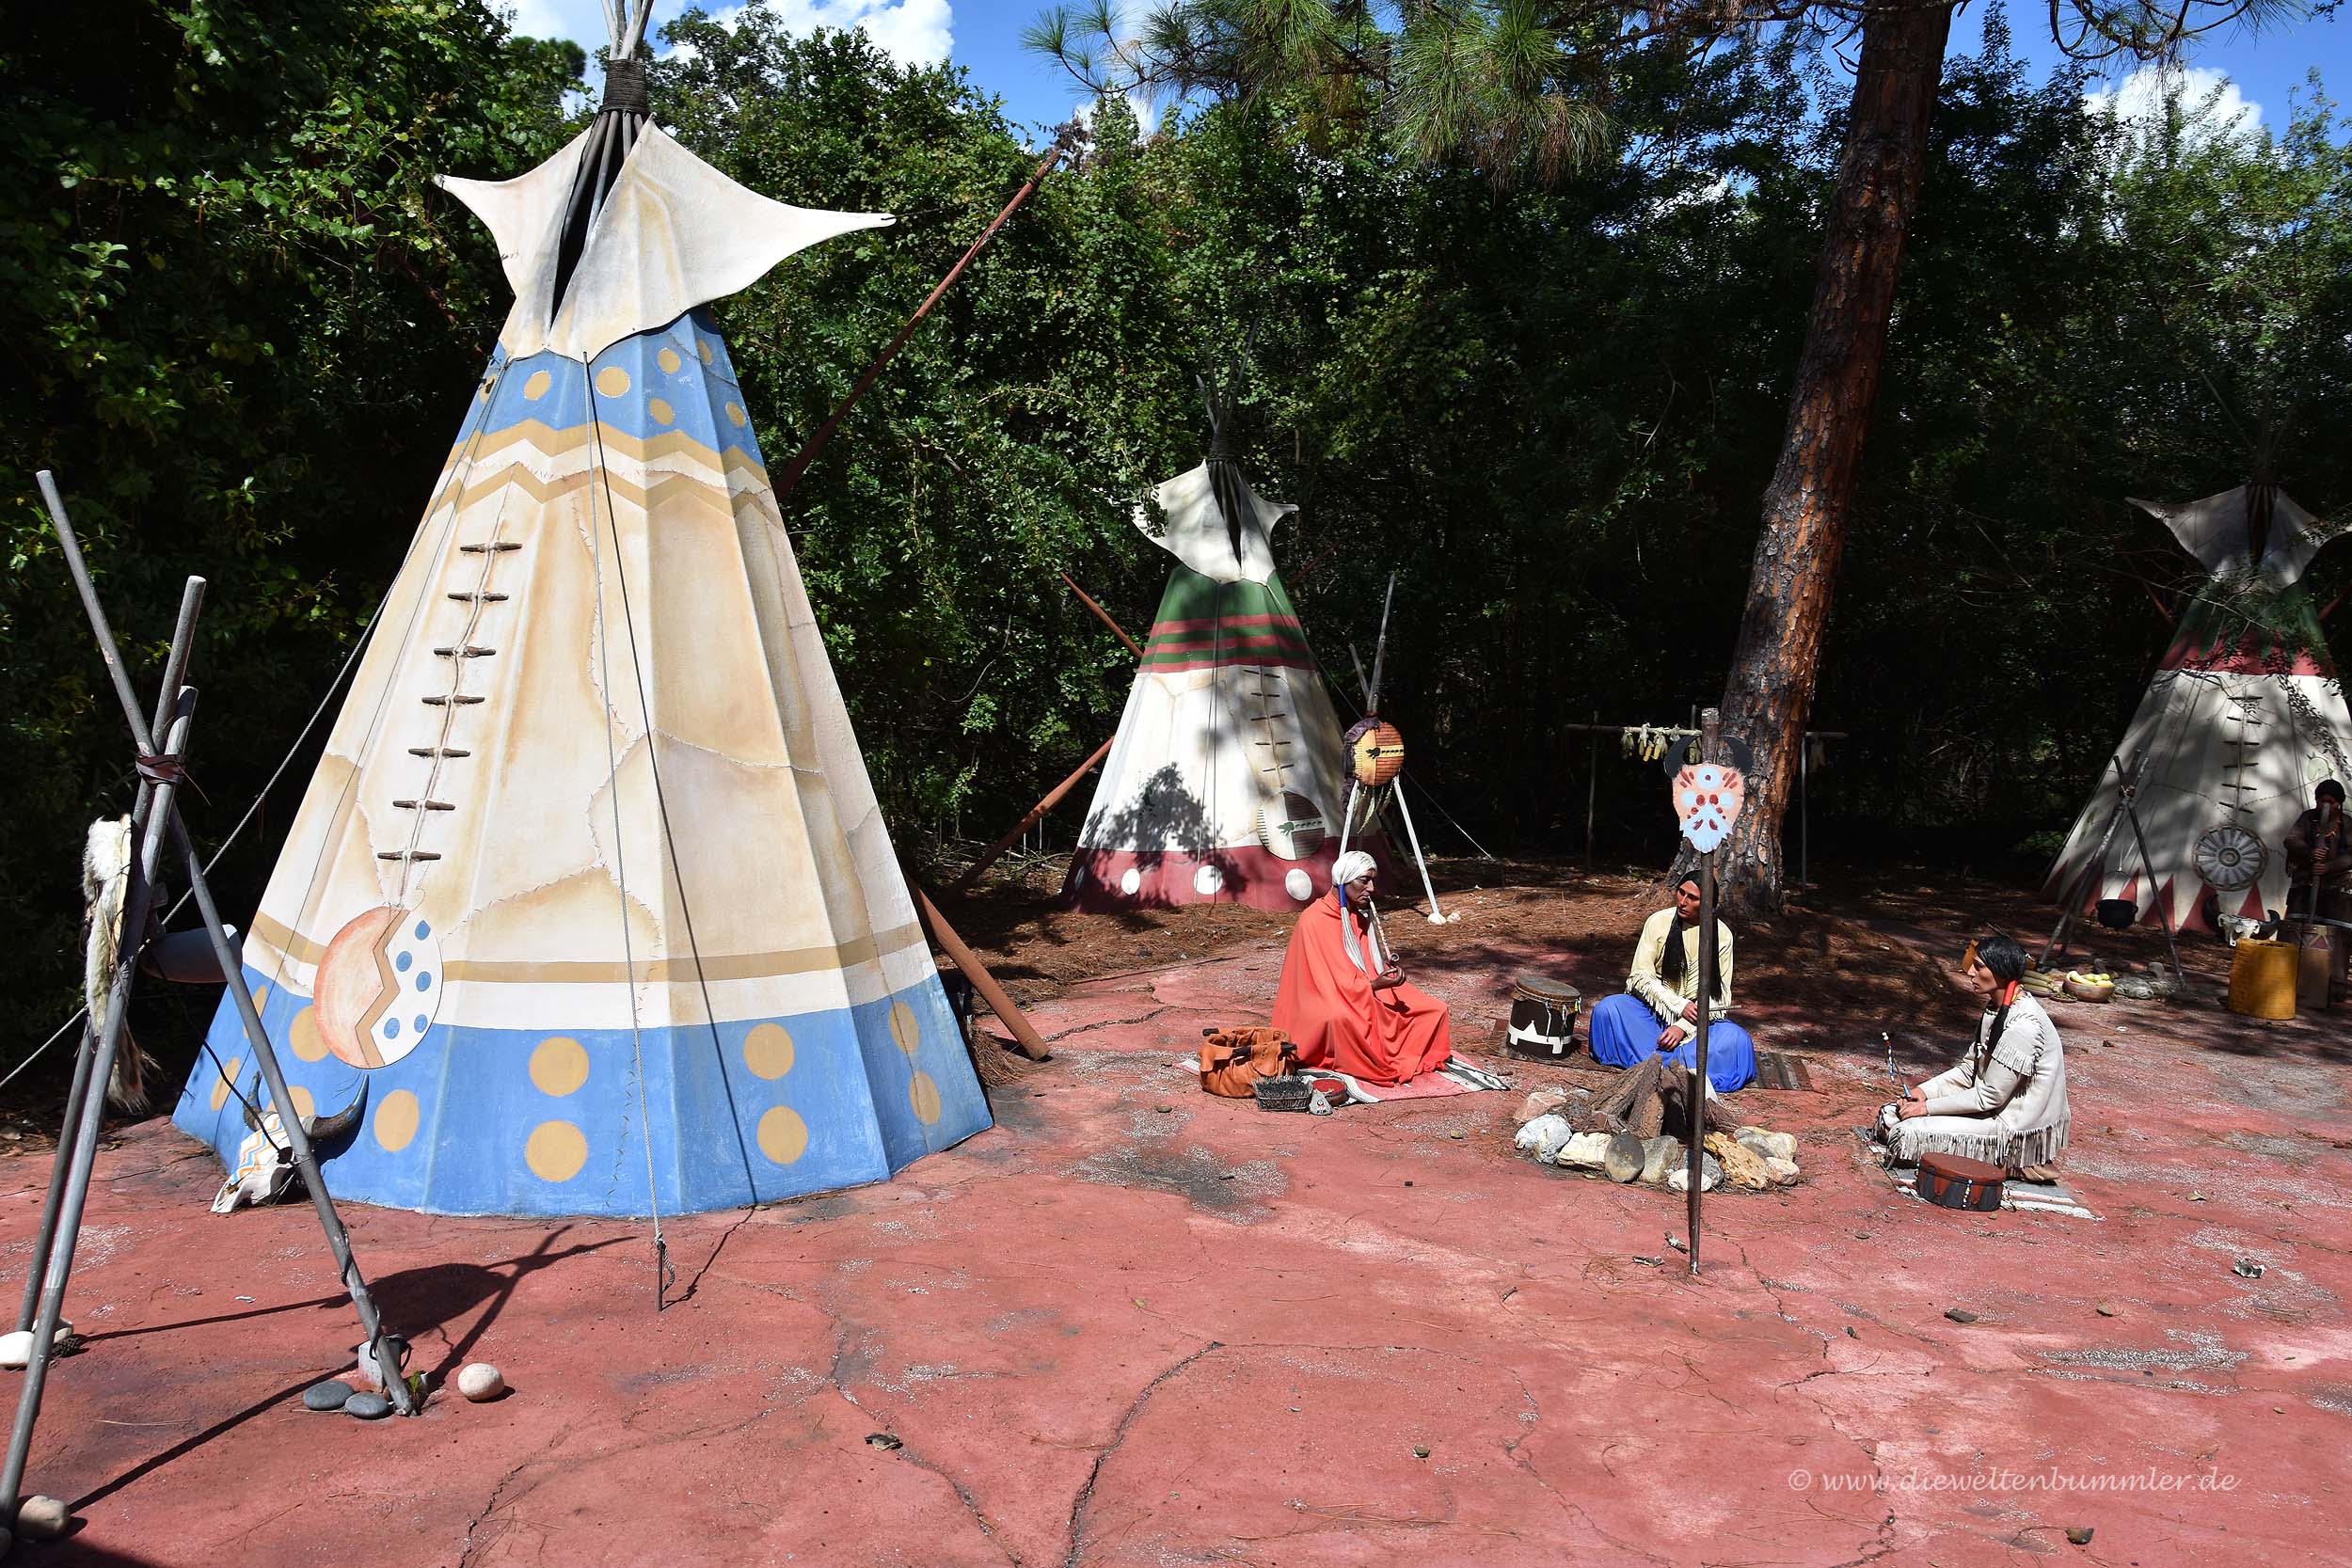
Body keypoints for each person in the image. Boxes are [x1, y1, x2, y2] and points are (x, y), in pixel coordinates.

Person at [1869, 932, 2069, 1179]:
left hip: (2009, 1126)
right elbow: (1968, 1071)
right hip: (1986, 1109)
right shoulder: (1997, 1008)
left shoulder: (2023, 1026)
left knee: (1905, 1134)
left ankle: (2019, 1163)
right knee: (1890, 1115)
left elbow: (1989, 1097)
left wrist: (1926, 1109)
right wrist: (1922, 1092)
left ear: (2001, 971)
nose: (1970, 973)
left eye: (1979, 967)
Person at [1271, 850, 1452, 1085]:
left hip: (1364, 991)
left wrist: (1387, 976)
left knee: (1434, 1009)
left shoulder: (1358, 917)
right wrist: (1373, 985)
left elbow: (1368, 965)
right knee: (1339, 1019)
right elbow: (1322, 982)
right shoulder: (1313, 920)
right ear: (1343, 881)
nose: (1371, 888)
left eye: (1372, 881)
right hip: (1323, 999)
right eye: (1364, 881)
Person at [1586, 874, 1756, 1092]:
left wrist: (1682, 1027)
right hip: (1653, 1017)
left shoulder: (1722, 935)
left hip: (1696, 1027)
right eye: (1681, 893)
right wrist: (1678, 1005)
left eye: (1692, 898)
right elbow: (1640, 976)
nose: (1683, 902)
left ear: (1707, 904)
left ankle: (1655, 1063)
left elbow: (1720, 996)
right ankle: (1679, 1067)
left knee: (1737, 1040)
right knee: (1609, 1009)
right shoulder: (1658, 922)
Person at [2284, 780, 2349, 1000]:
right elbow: (2291, 840)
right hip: (2306, 886)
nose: (2325, 806)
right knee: (2297, 930)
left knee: (2337, 935)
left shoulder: (2347, 824)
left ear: (2339, 803)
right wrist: (2310, 853)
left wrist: (2329, 867)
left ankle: (2335, 986)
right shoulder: (2308, 819)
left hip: (2337, 891)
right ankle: (2288, 978)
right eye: (2321, 801)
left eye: (2330, 802)